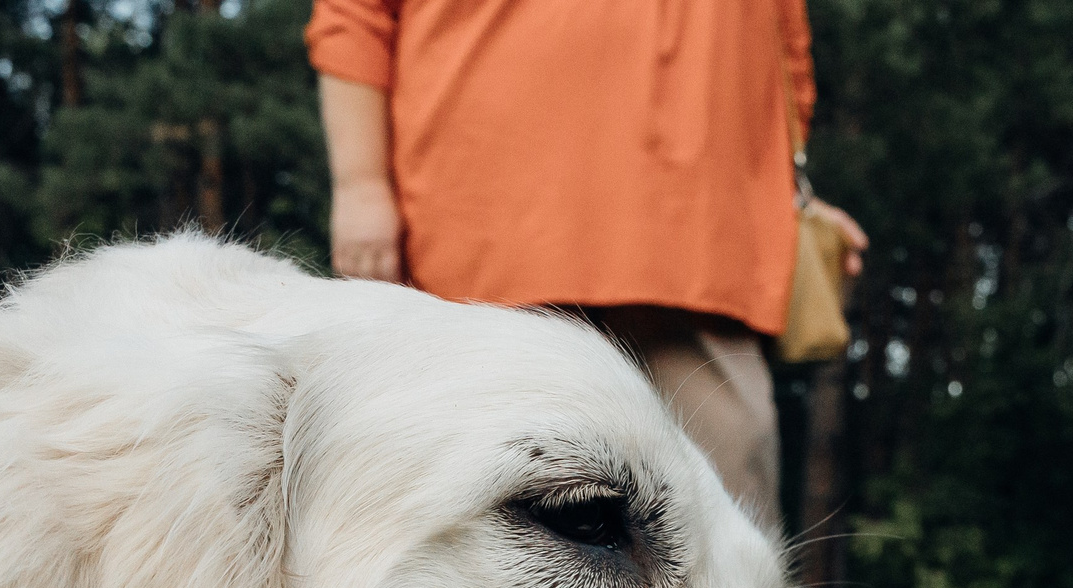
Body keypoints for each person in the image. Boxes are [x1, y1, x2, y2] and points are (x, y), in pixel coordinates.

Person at [305, 0, 866, 524]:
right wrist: (361, 184)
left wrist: (793, 195)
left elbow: (778, 41)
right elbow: (356, 13)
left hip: (700, 240)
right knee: (476, 535)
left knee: (728, 531)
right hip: (487, 245)